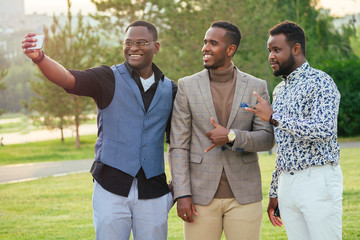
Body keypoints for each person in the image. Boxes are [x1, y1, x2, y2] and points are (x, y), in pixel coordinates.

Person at [22, 20, 177, 240]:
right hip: (110, 186)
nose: (133, 48)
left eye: (141, 42)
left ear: (156, 47)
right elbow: (68, 79)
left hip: (154, 189)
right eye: (128, 42)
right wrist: (40, 58)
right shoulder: (107, 77)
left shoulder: (170, 89)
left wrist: (181, 185)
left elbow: (179, 142)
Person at [169, 21, 274, 240]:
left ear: (230, 50)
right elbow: (178, 145)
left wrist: (232, 136)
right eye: (205, 42)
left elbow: (266, 139)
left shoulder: (257, 86)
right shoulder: (186, 86)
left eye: (213, 43)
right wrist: (182, 193)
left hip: (244, 195)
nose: (205, 48)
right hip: (199, 196)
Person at [246, 20, 343, 240]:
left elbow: (324, 129)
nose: (271, 56)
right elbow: (283, 146)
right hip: (287, 185)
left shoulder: (321, 82)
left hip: (317, 179)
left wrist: (273, 117)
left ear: (296, 49)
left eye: (276, 50)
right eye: (269, 50)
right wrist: (275, 191)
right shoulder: (280, 90)